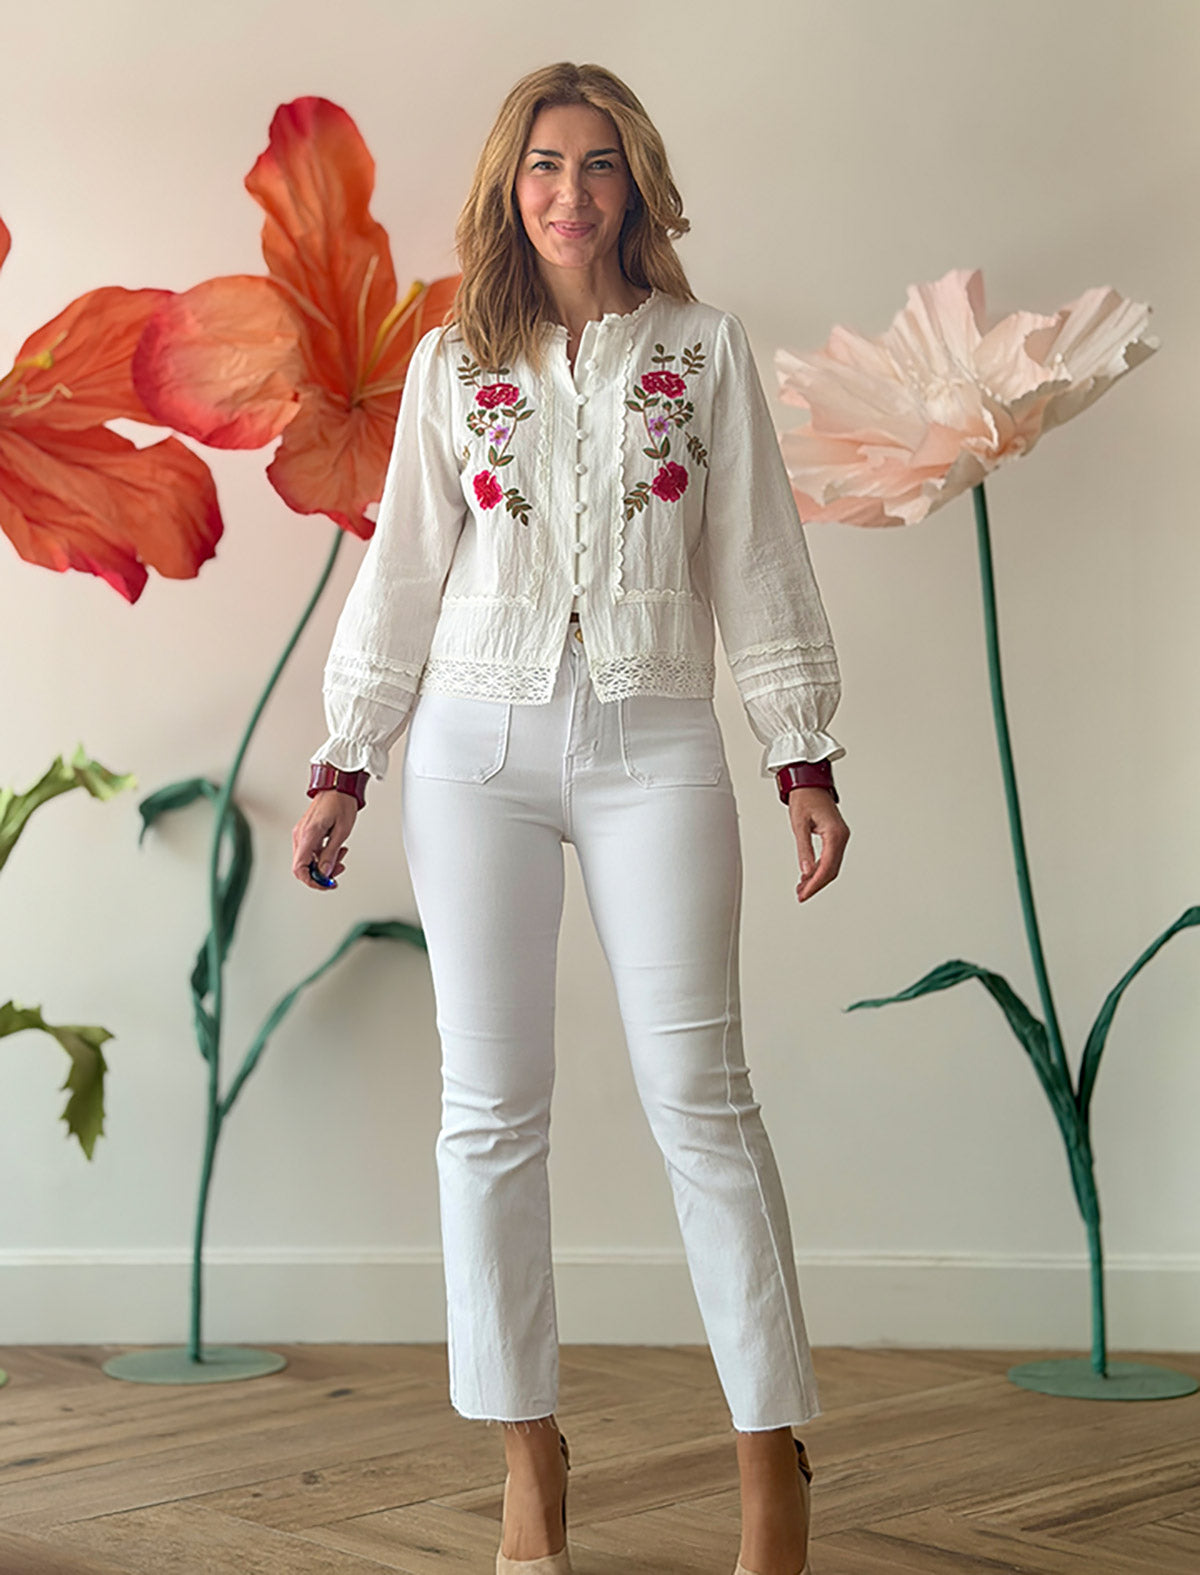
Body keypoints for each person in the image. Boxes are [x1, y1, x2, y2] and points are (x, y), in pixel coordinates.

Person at [291, 60, 848, 1575]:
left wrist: (801, 757)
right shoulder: (453, 362)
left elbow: (755, 560)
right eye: (544, 164)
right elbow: (402, 569)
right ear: (507, 185)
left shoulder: (704, 350)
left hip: (655, 740)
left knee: (705, 1107)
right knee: (488, 1119)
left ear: (637, 185)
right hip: (476, 750)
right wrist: (351, 758)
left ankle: (768, 1468)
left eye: (600, 164)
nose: (571, 191)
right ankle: (530, 1473)